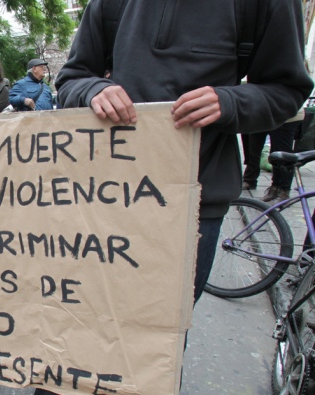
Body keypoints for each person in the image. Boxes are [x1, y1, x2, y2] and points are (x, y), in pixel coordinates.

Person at [43, 0, 312, 394]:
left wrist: (230, 102)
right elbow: (71, 78)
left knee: (152, 345)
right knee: (75, 324)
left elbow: (288, 89)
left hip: (190, 207)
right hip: (98, 199)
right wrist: (94, 90)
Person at [241, 120, 302, 203]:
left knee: (280, 153)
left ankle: (283, 190)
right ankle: (252, 180)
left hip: (285, 117)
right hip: (263, 115)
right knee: (253, 148)